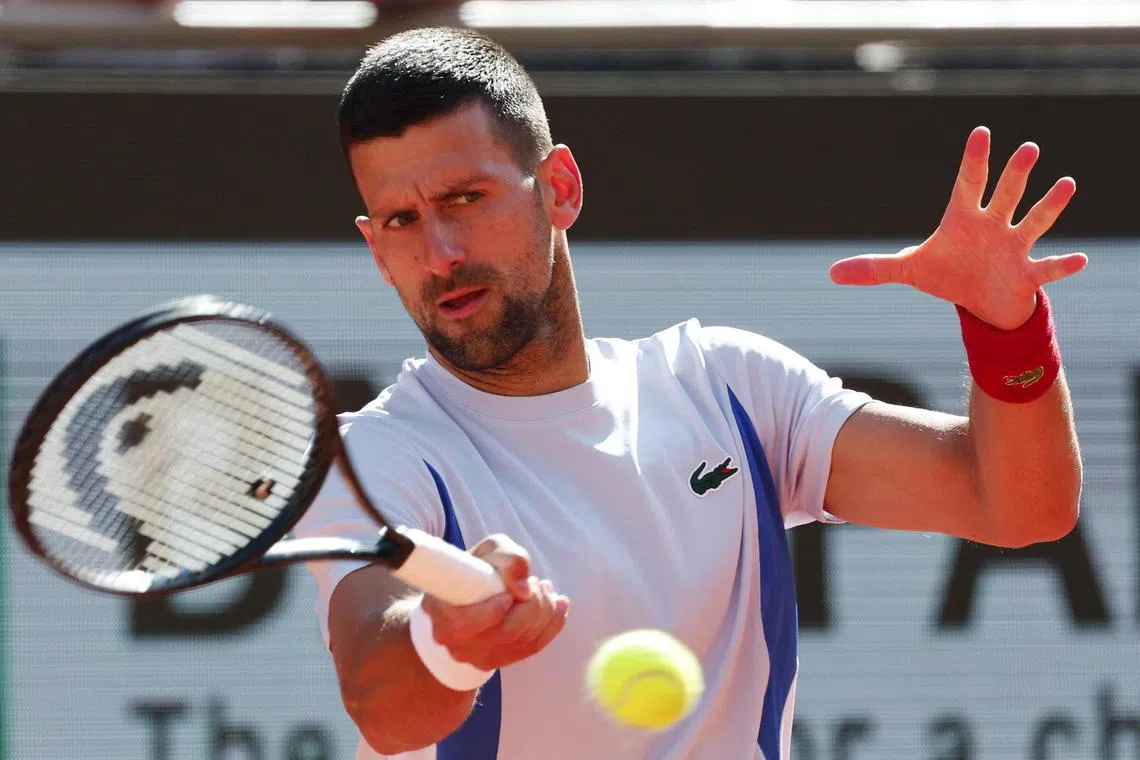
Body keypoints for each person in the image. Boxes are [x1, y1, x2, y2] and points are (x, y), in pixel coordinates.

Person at [292, 26, 1085, 760]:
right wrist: (447, 643)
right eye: (401, 219)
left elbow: (1016, 504)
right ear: (375, 246)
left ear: (559, 187)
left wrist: (1007, 329)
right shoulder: (379, 456)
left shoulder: (728, 387)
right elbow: (382, 704)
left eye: (466, 198)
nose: (439, 252)